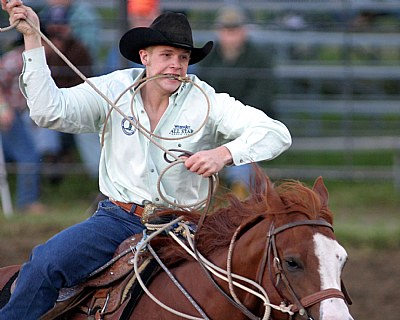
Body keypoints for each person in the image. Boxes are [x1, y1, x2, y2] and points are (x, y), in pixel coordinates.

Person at [0, 1, 291, 318]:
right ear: (145, 57)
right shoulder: (114, 89)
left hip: (185, 227)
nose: (176, 65)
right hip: (116, 219)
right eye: (166, 55)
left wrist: (223, 154)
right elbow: (48, 110)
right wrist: (32, 39)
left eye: (183, 57)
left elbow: (275, 132)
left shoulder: (206, 101)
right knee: (45, 263)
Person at [198, 5, 276, 199]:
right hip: (213, 123)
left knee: (243, 155)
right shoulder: (209, 59)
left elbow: (262, 98)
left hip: (244, 125)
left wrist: (235, 121)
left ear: (244, 30)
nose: (230, 34)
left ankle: (238, 199)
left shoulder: (259, 59)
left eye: (234, 28)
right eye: (225, 28)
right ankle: (204, 199)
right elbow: (202, 94)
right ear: (218, 30)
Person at [0, 37, 45, 214]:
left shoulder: (24, 59)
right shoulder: (16, 59)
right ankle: (26, 202)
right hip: (8, 112)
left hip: (16, 111)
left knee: (26, 154)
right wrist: (3, 107)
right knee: (28, 155)